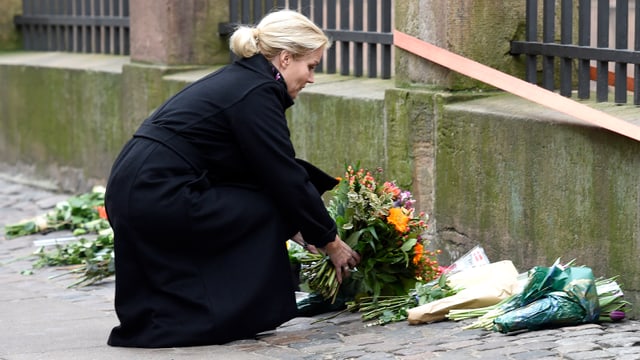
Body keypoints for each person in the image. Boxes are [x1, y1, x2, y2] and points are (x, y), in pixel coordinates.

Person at [104, 9, 361, 348]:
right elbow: (283, 174)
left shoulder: (245, 81)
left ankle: (187, 313)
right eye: (310, 66)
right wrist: (330, 241)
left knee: (263, 206)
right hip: (156, 193)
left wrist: (298, 223)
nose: (312, 78)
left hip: (136, 188)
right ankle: (233, 313)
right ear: (285, 59)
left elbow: (257, 169)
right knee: (264, 210)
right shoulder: (256, 92)